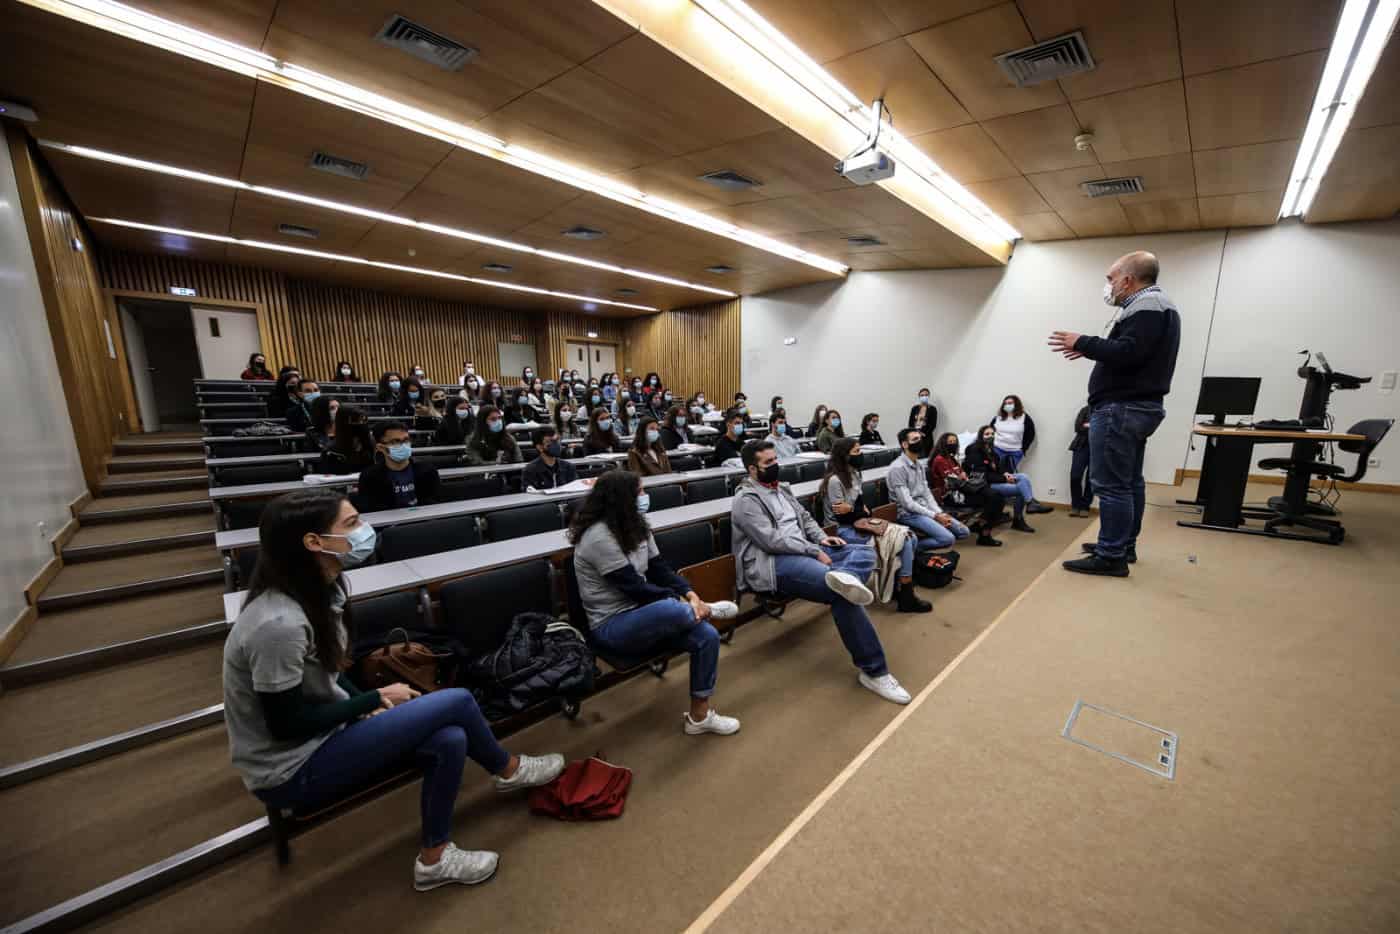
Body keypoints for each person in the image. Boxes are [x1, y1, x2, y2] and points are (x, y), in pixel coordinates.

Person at [223, 488, 564, 891]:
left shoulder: (323, 589)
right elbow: (284, 724)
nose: (365, 530)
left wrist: (361, 704)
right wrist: (371, 700)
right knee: (457, 700)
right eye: (351, 525)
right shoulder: (277, 624)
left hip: (324, 735)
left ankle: (434, 859)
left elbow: (330, 672)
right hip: (289, 768)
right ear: (313, 542)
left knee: (451, 739)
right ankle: (509, 770)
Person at [732, 441, 910, 705]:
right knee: (841, 594)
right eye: (768, 463)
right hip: (773, 562)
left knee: (864, 551)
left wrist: (821, 540)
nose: (775, 465)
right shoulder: (745, 501)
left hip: (805, 549)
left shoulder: (782, 489)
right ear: (752, 469)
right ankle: (875, 672)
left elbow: (805, 519)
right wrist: (813, 550)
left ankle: (845, 576)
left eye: (774, 459)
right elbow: (772, 541)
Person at [571, 471, 740, 735]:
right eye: (638, 492)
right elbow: (634, 587)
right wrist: (678, 600)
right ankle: (701, 611)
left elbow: (659, 569)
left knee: (707, 636)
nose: (644, 497)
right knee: (670, 607)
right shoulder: (598, 536)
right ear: (621, 499)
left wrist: (691, 594)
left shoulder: (637, 524)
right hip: (612, 624)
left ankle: (699, 717)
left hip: (647, 612)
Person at [1049, 250, 1180, 576]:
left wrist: (1085, 341)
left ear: (1127, 279)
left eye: (1110, 278)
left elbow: (1129, 352)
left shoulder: (1147, 305)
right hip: (1136, 407)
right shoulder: (1156, 305)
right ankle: (1121, 545)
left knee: (1111, 485)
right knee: (1129, 481)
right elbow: (1130, 352)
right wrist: (1092, 349)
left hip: (1121, 408)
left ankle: (1111, 556)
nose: (1108, 285)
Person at [821, 438, 929, 613]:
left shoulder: (855, 473)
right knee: (905, 541)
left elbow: (860, 509)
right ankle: (906, 595)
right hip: (842, 530)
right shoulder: (835, 480)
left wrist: (855, 509)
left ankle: (897, 586)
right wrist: (857, 510)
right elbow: (843, 517)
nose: (860, 455)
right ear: (844, 456)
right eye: (856, 452)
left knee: (911, 537)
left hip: (860, 523)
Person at [888, 428, 971, 550]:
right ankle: (911, 549)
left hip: (925, 508)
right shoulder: (898, 468)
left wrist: (939, 512)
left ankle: (918, 543)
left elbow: (926, 492)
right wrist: (935, 516)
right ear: (904, 445)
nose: (919, 441)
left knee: (964, 531)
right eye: (915, 439)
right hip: (909, 514)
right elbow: (907, 503)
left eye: (920, 438)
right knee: (948, 539)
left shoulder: (919, 465)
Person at [929, 433, 1004, 547]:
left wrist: (962, 474)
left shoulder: (951, 458)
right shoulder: (939, 459)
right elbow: (952, 481)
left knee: (997, 497)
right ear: (943, 443)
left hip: (964, 489)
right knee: (994, 499)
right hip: (951, 496)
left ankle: (981, 526)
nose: (953, 444)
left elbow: (960, 474)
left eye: (955, 442)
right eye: (950, 442)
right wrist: (961, 476)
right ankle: (984, 533)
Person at [963, 427, 1036, 534]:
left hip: (996, 480)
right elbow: (982, 475)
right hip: (984, 484)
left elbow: (998, 468)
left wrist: (1005, 474)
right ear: (980, 436)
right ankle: (1020, 518)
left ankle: (1030, 503)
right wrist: (1005, 479)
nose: (990, 436)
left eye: (992, 434)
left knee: (1023, 477)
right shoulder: (974, 450)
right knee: (1021, 490)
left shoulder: (992, 450)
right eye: (987, 434)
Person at [357, 421, 441, 511]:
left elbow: (435, 505)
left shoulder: (428, 470)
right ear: (381, 447)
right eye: (395, 441)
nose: (404, 445)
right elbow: (370, 511)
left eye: (406, 440)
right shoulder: (369, 476)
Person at [316, 405, 375, 474]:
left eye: (363, 420)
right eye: (355, 420)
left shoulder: (371, 445)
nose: (361, 424)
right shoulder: (331, 452)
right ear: (343, 422)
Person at [1069, 402, 1093, 517]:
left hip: (1098, 448)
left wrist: (1088, 425)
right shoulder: (1085, 410)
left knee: (1091, 478)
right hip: (1081, 446)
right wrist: (1094, 426)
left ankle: (1085, 506)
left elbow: (1107, 430)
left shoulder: (1106, 412)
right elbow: (1078, 427)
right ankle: (1075, 505)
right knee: (1075, 476)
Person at [908, 389, 937, 458]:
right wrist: (913, 433)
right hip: (914, 437)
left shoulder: (932, 409)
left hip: (926, 437)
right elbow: (910, 423)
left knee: (926, 457)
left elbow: (933, 424)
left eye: (926, 395)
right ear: (919, 396)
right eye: (922, 395)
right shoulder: (914, 408)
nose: (924, 397)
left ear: (929, 396)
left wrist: (922, 433)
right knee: (915, 456)